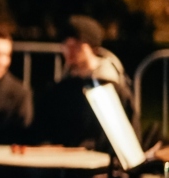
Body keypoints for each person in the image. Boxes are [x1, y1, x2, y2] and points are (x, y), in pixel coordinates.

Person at [31, 14, 133, 150]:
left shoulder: (112, 90)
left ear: (93, 48)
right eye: (66, 45)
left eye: (77, 45)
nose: (70, 50)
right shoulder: (58, 91)